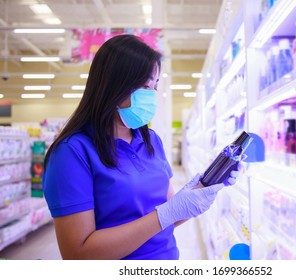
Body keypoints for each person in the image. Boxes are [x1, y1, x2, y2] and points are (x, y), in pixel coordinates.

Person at [42, 34, 244, 260]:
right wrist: (166, 213)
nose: (151, 95)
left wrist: (201, 192)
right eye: (145, 85)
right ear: (114, 84)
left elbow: (167, 217)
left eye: (155, 86)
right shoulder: (72, 153)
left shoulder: (151, 141)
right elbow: (77, 254)